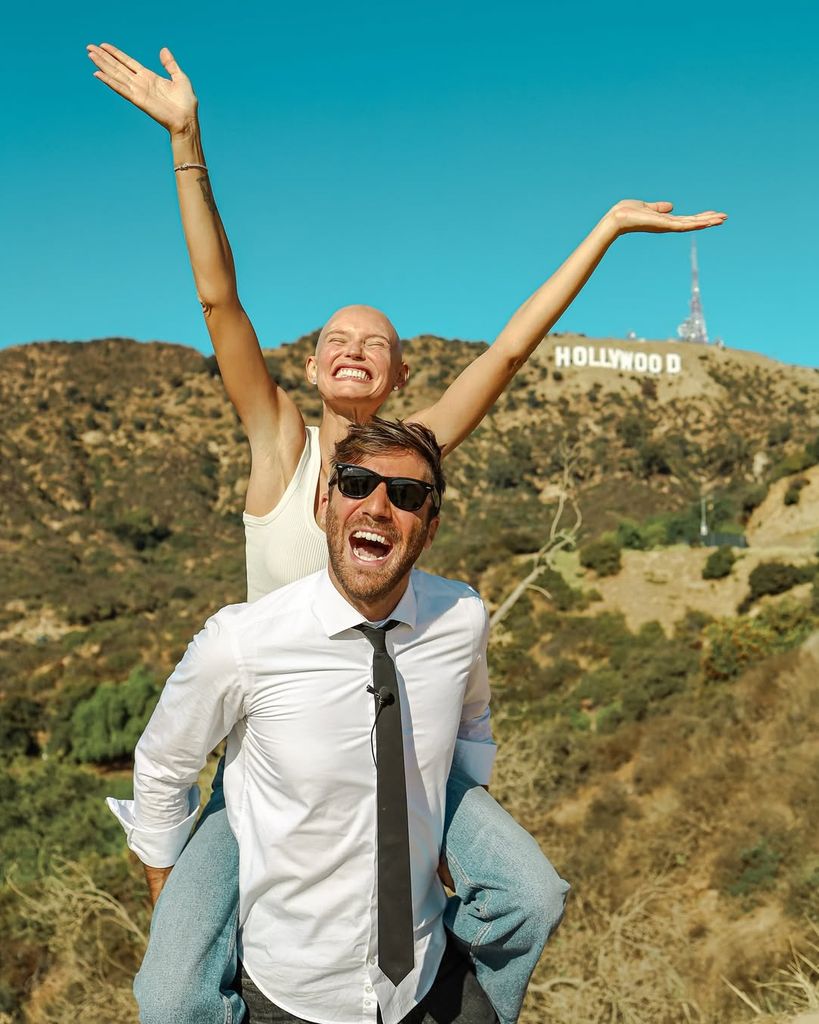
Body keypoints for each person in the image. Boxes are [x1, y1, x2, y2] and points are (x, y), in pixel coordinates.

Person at [86, 40, 726, 1024]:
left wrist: (603, 229)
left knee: (528, 890)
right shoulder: (280, 448)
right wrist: (186, 140)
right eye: (333, 339)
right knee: (171, 990)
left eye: (371, 342)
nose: (350, 349)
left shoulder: (415, 454)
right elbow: (220, 299)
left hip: (400, 742)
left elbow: (512, 347)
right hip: (270, 754)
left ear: (396, 374)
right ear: (310, 370)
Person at [113, 418, 506, 1024]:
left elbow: (472, 717)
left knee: (535, 898)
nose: (377, 507)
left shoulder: (461, 618)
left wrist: (458, 813)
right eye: (355, 484)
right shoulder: (242, 641)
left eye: (406, 497)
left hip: (426, 976)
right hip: (289, 991)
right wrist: (170, 898)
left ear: (429, 528)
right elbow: (165, 763)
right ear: (325, 504)